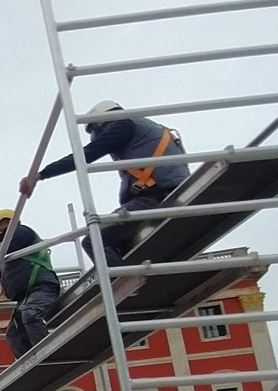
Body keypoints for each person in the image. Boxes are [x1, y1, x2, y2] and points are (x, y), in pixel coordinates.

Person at [19, 100, 188, 267]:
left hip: (156, 197)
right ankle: (127, 274)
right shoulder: (144, 129)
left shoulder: (124, 124)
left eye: (95, 131)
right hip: (163, 191)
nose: (95, 137)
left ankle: (124, 281)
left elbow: (87, 153)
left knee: (94, 240)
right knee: (117, 243)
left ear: (101, 122)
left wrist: (41, 174)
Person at [0, 209, 61, 357]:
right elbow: (5, 259)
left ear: (7, 222)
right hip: (27, 295)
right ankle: (28, 365)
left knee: (31, 315)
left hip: (42, 287)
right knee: (14, 334)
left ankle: (48, 355)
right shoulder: (12, 249)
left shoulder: (21, 233)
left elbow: (3, 253)